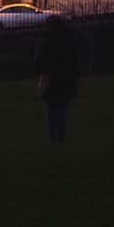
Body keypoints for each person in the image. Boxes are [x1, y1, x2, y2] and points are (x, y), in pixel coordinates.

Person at [34, 16, 81, 144]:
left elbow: (39, 60)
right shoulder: (69, 39)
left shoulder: (45, 40)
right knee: (63, 107)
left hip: (50, 77)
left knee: (52, 108)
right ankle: (60, 136)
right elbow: (75, 57)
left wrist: (40, 74)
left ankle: (53, 137)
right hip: (66, 77)